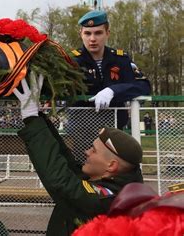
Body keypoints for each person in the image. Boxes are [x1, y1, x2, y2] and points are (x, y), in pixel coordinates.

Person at [14, 73, 144, 236]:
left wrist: (32, 120)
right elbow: (66, 162)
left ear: (111, 166)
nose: (86, 152)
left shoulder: (108, 199)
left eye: (93, 150)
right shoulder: (116, 182)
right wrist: (37, 117)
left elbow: (62, 182)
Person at [69, 10, 151, 161]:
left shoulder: (120, 59)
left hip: (114, 131)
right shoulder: (72, 61)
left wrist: (114, 90)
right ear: (81, 33)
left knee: (114, 172)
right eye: (87, 33)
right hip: (82, 132)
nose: (92, 39)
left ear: (108, 33)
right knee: (82, 171)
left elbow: (143, 85)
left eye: (98, 33)